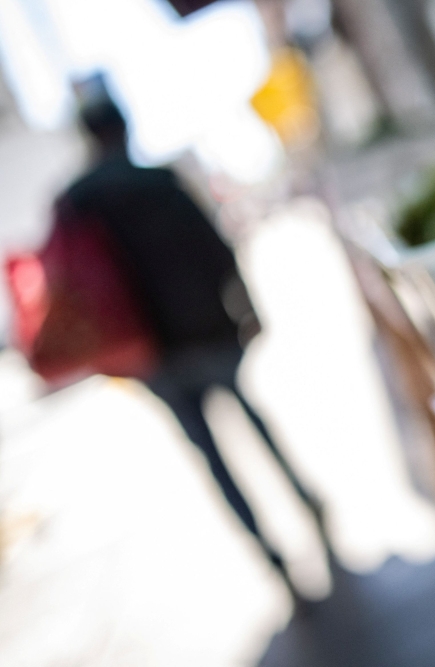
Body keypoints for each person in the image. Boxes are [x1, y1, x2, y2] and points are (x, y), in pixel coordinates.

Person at [59, 90, 329, 598]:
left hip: (147, 355)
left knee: (211, 456)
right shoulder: (156, 182)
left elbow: (71, 289)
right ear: (122, 125)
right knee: (252, 420)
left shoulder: (75, 201)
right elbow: (214, 248)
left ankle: (272, 558)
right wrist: (247, 308)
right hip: (202, 331)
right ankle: (306, 502)